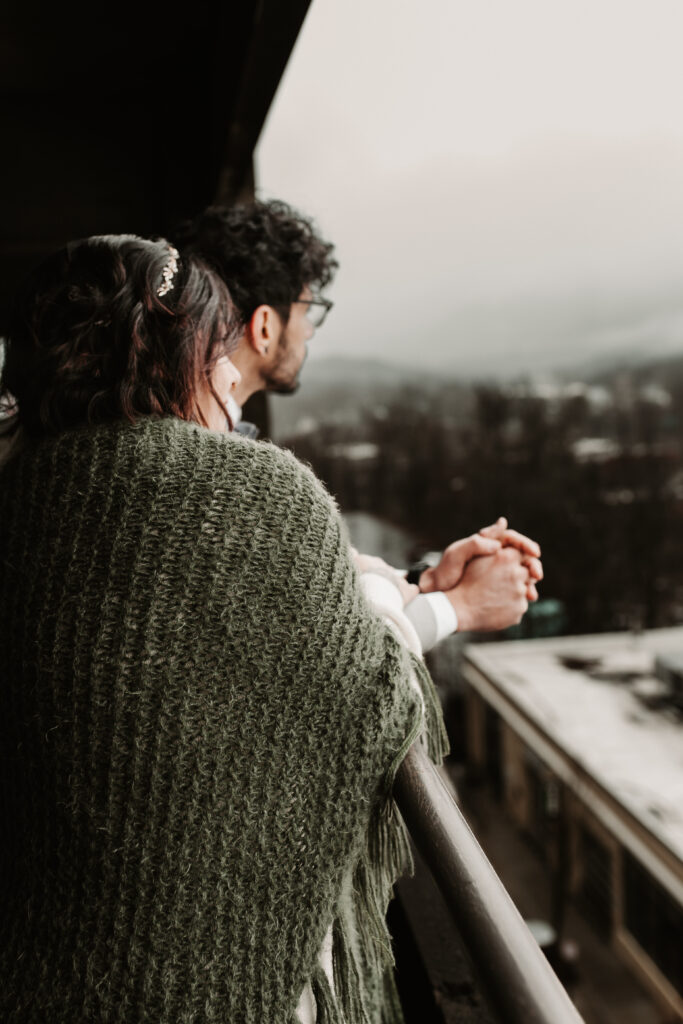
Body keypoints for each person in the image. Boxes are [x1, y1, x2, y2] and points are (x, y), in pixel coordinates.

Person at [0, 233, 451, 1024]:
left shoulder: (22, 493)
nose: (226, 381)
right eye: (216, 355)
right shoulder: (260, 498)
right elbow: (369, 700)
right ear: (183, 358)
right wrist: (437, 608)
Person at [175, 200, 543, 649]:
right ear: (266, 327)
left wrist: (426, 582)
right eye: (308, 308)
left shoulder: (204, 446)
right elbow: (341, 672)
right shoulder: (226, 480)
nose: (310, 330)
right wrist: (459, 606)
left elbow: (316, 592)